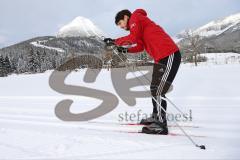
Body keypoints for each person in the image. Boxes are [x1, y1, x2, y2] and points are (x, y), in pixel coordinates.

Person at [104, 9, 181, 134]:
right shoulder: (138, 27)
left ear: (125, 17)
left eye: (120, 23)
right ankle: (156, 117)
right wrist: (125, 51)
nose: (121, 27)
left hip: (169, 54)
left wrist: (114, 41)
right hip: (161, 58)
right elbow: (139, 46)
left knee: (159, 89)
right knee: (154, 88)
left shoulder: (135, 17)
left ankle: (161, 124)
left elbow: (133, 38)